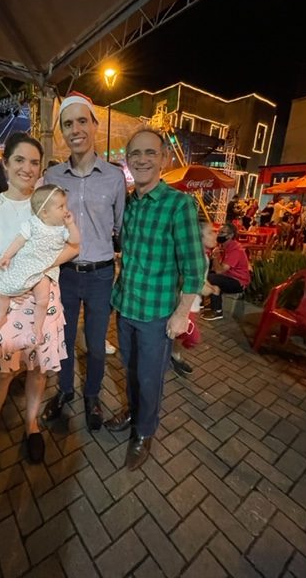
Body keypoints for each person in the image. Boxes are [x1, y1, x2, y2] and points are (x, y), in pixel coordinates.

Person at [0, 132, 75, 474]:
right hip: (8, 300)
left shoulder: (50, 205)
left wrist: (42, 269)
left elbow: (69, 247)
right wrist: (6, 284)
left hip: (46, 299)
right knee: (2, 373)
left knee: (38, 370)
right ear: (6, 163)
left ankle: (32, 425)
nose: (27, 168)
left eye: (34, 162)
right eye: (19, 160)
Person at [105, 128, 206, 470]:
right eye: (136, 154)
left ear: (163, 158)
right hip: (128, 306)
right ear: (128, 161)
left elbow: (194, 267)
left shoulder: (179, 205)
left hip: (157, 315)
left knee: (149, 378)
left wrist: (182, 314)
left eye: (150, 153)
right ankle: (133, 412)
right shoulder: (130, 204)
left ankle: (144, 432)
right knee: (130, 370)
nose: (143, 159)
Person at [42, 92, 126, 431]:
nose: (75, 129)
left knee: (94, 343)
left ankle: (92, 394)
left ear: (94, 124)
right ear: (62, 131)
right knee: (62, 338)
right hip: (64, 274)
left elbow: (119, 225)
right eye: (67, 123)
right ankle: (64, 390)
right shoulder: (52, 178)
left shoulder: (114, 177)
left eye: (81, 121)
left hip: (100, 275)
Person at [0, 185, 80, 343]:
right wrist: (7, 255)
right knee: (4, 289)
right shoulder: (33, 224)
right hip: (24, 264)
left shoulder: (62, 230)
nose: (66, 210)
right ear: (45, 213)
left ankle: (37, 327)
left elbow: (75, 241)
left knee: (43, 300)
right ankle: (0, 317)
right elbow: (19, 240)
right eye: (61, 207)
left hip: (43, 271)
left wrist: (72, 224)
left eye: (65, 205)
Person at [171, 221, 219, 377]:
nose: (215, 235)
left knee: (179, 334)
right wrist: (208, 290)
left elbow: (202, 279)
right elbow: (194, 282)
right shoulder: (196, 256)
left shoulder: (204, 255)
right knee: (193, 337)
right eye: (210, 232)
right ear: (199, 237)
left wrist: (210, 286)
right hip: (186, 304)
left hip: (193, 304)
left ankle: (173, 355)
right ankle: (170, 354)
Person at [201, 222, 251, 321]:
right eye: (219, 231)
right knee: (207, 275)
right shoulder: (223, 247)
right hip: (228, 276)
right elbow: (216, 269)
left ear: (230, 235)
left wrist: (214, 257)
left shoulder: (235, 250)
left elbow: (219, 271)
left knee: (211, 278)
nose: (219, 234)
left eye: (222, 232)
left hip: (238, 281)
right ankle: (208, 304)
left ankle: (217, 310)